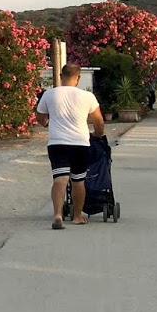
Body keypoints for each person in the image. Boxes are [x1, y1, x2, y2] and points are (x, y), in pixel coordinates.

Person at [35, 64, 105, 229]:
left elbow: (40, 116)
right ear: (78, 77)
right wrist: (98, 134)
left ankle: (58, 214)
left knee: (60, 179)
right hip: (79, 143)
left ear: (61, 75)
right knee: (78, 181)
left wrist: (46, 123)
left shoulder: (49, 94)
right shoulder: (87, 96)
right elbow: (99, 121)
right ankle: (77, 216)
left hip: (57, 143)